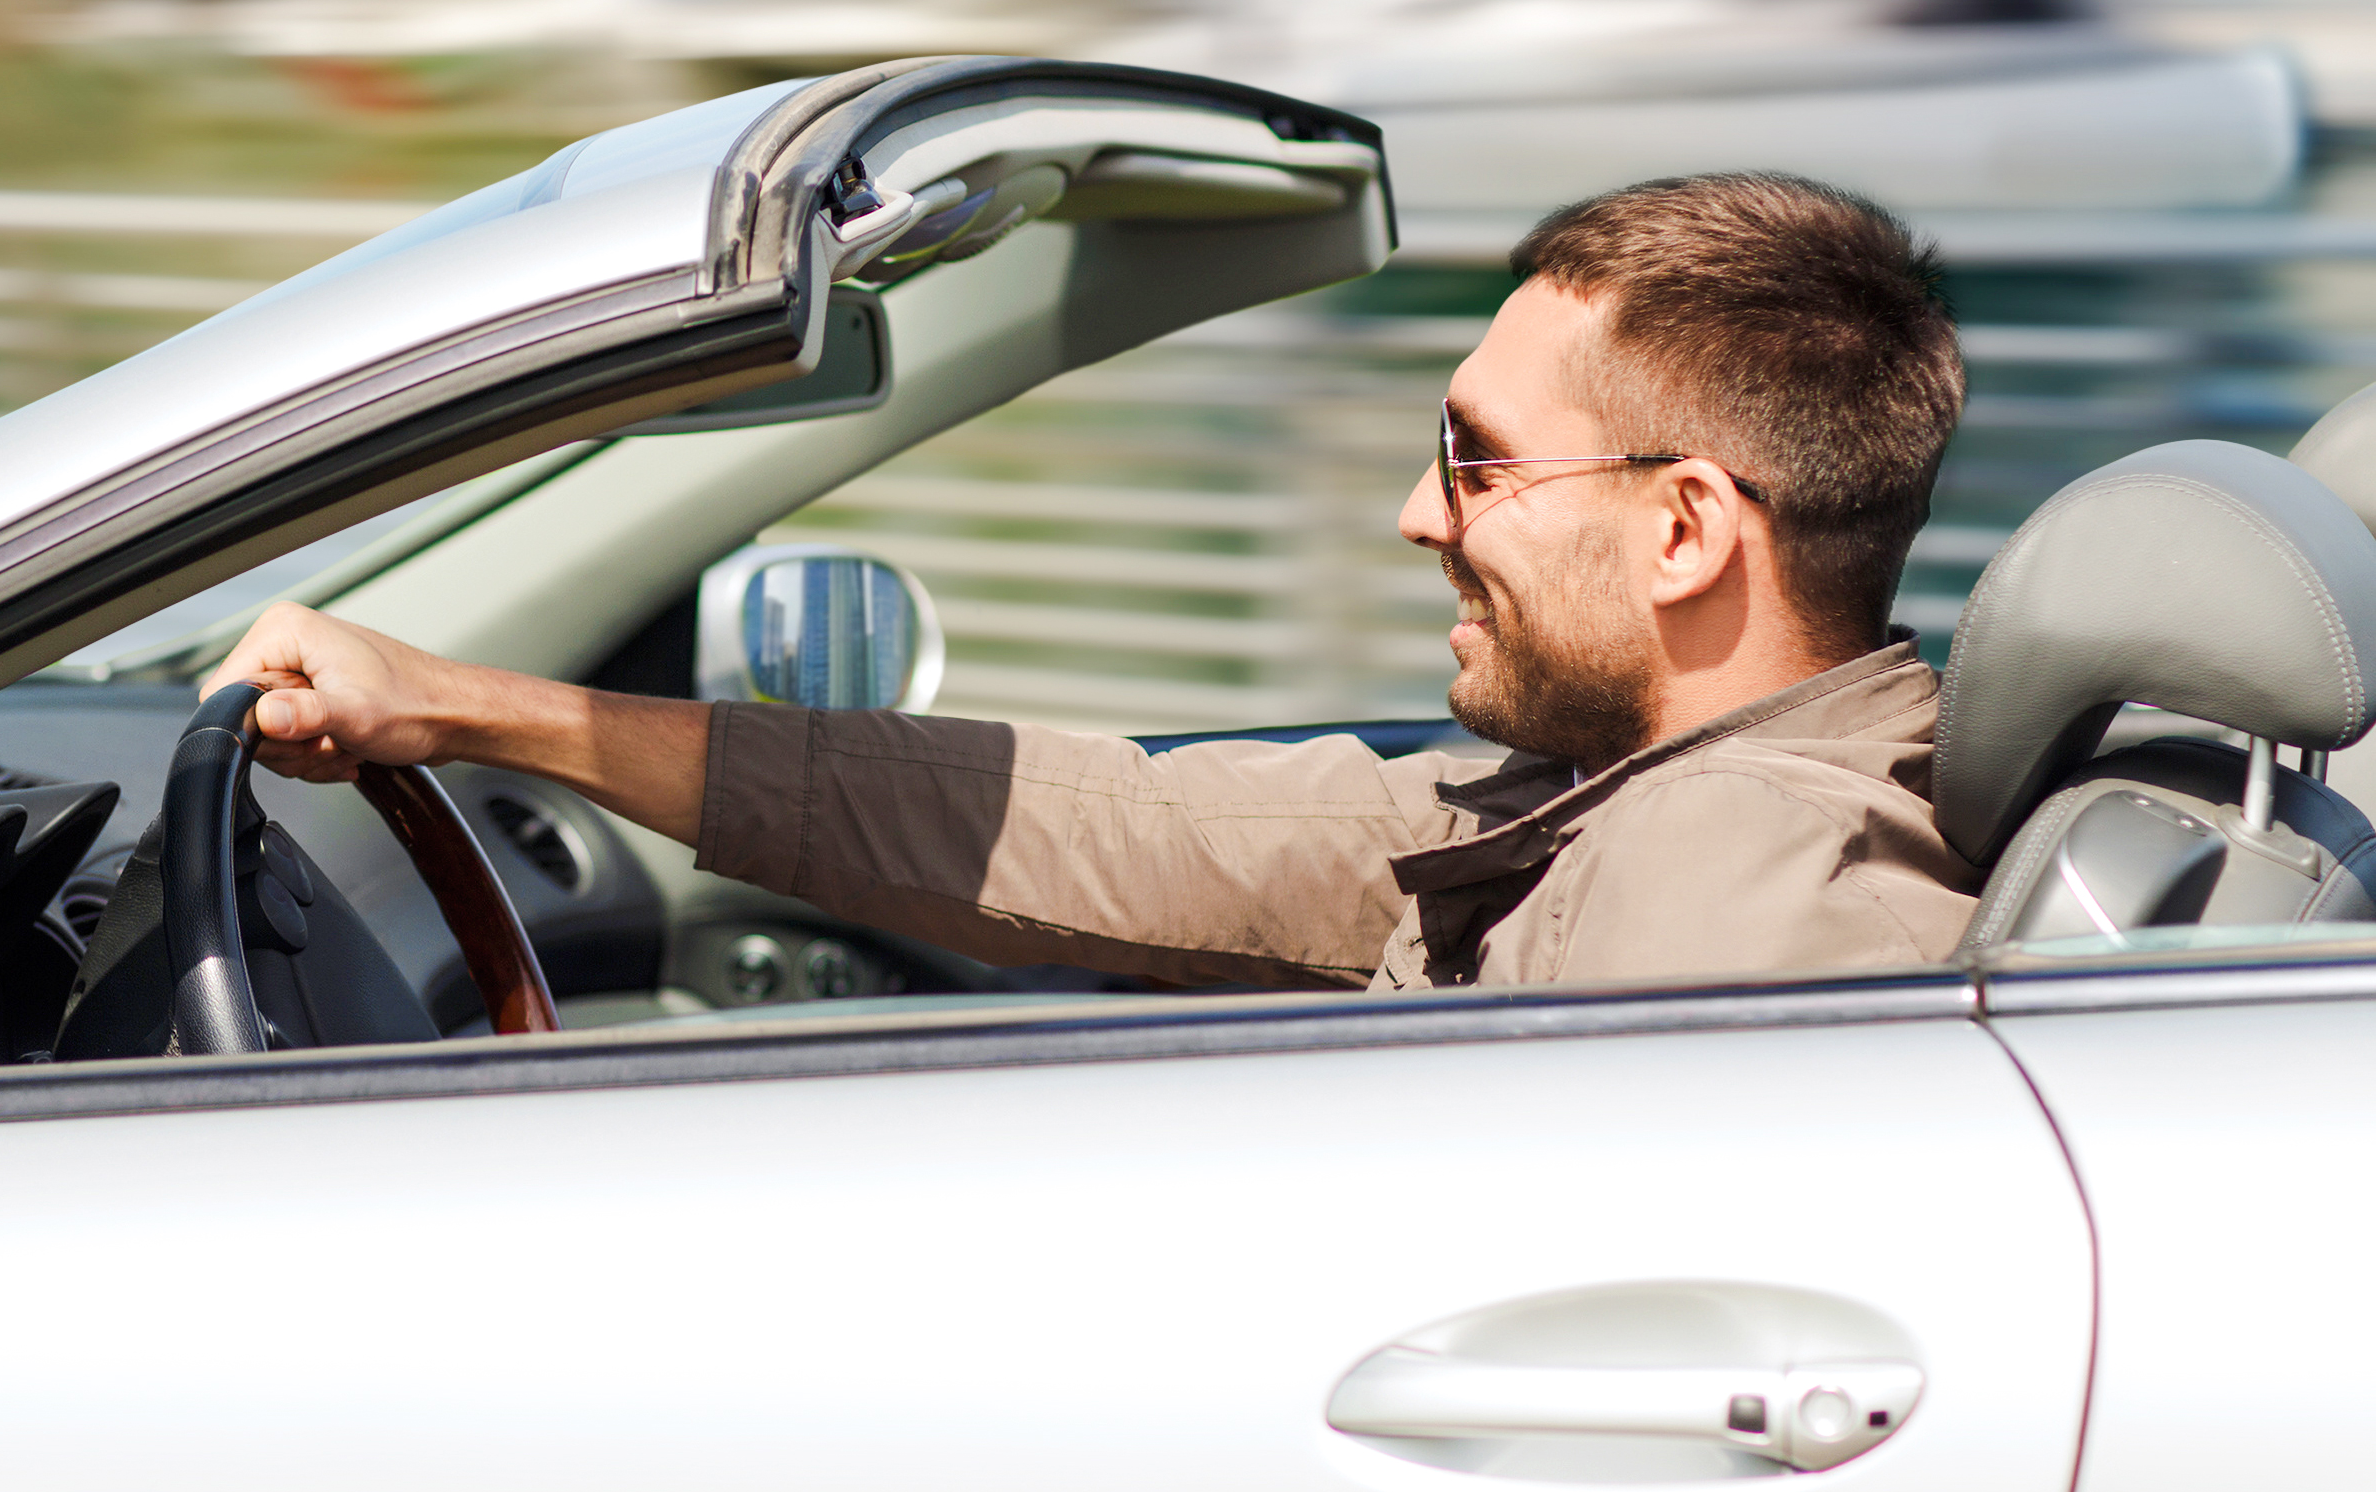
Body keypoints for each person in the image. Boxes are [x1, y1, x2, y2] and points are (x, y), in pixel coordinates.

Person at [206, 172, 1979, 992]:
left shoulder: (1755, 908)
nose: (1416, 517)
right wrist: (468, 708)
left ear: (1681, 530)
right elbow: (1118, 827)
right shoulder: (1601, 805)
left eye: (1476, 459)